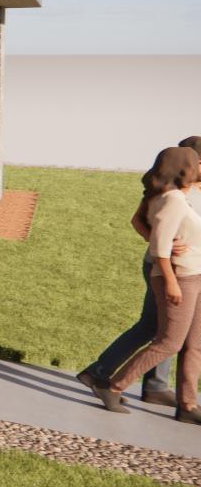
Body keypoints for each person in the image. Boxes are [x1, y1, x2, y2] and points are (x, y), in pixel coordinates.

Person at [77, 135, 201, 404]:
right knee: (158, 329)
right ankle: (104, 374)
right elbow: (139, 221)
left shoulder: (187, 192)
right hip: (165, 267)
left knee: (163, 329)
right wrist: (161, 243)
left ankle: (155, 387)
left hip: (184, 267)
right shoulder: (170, 193)